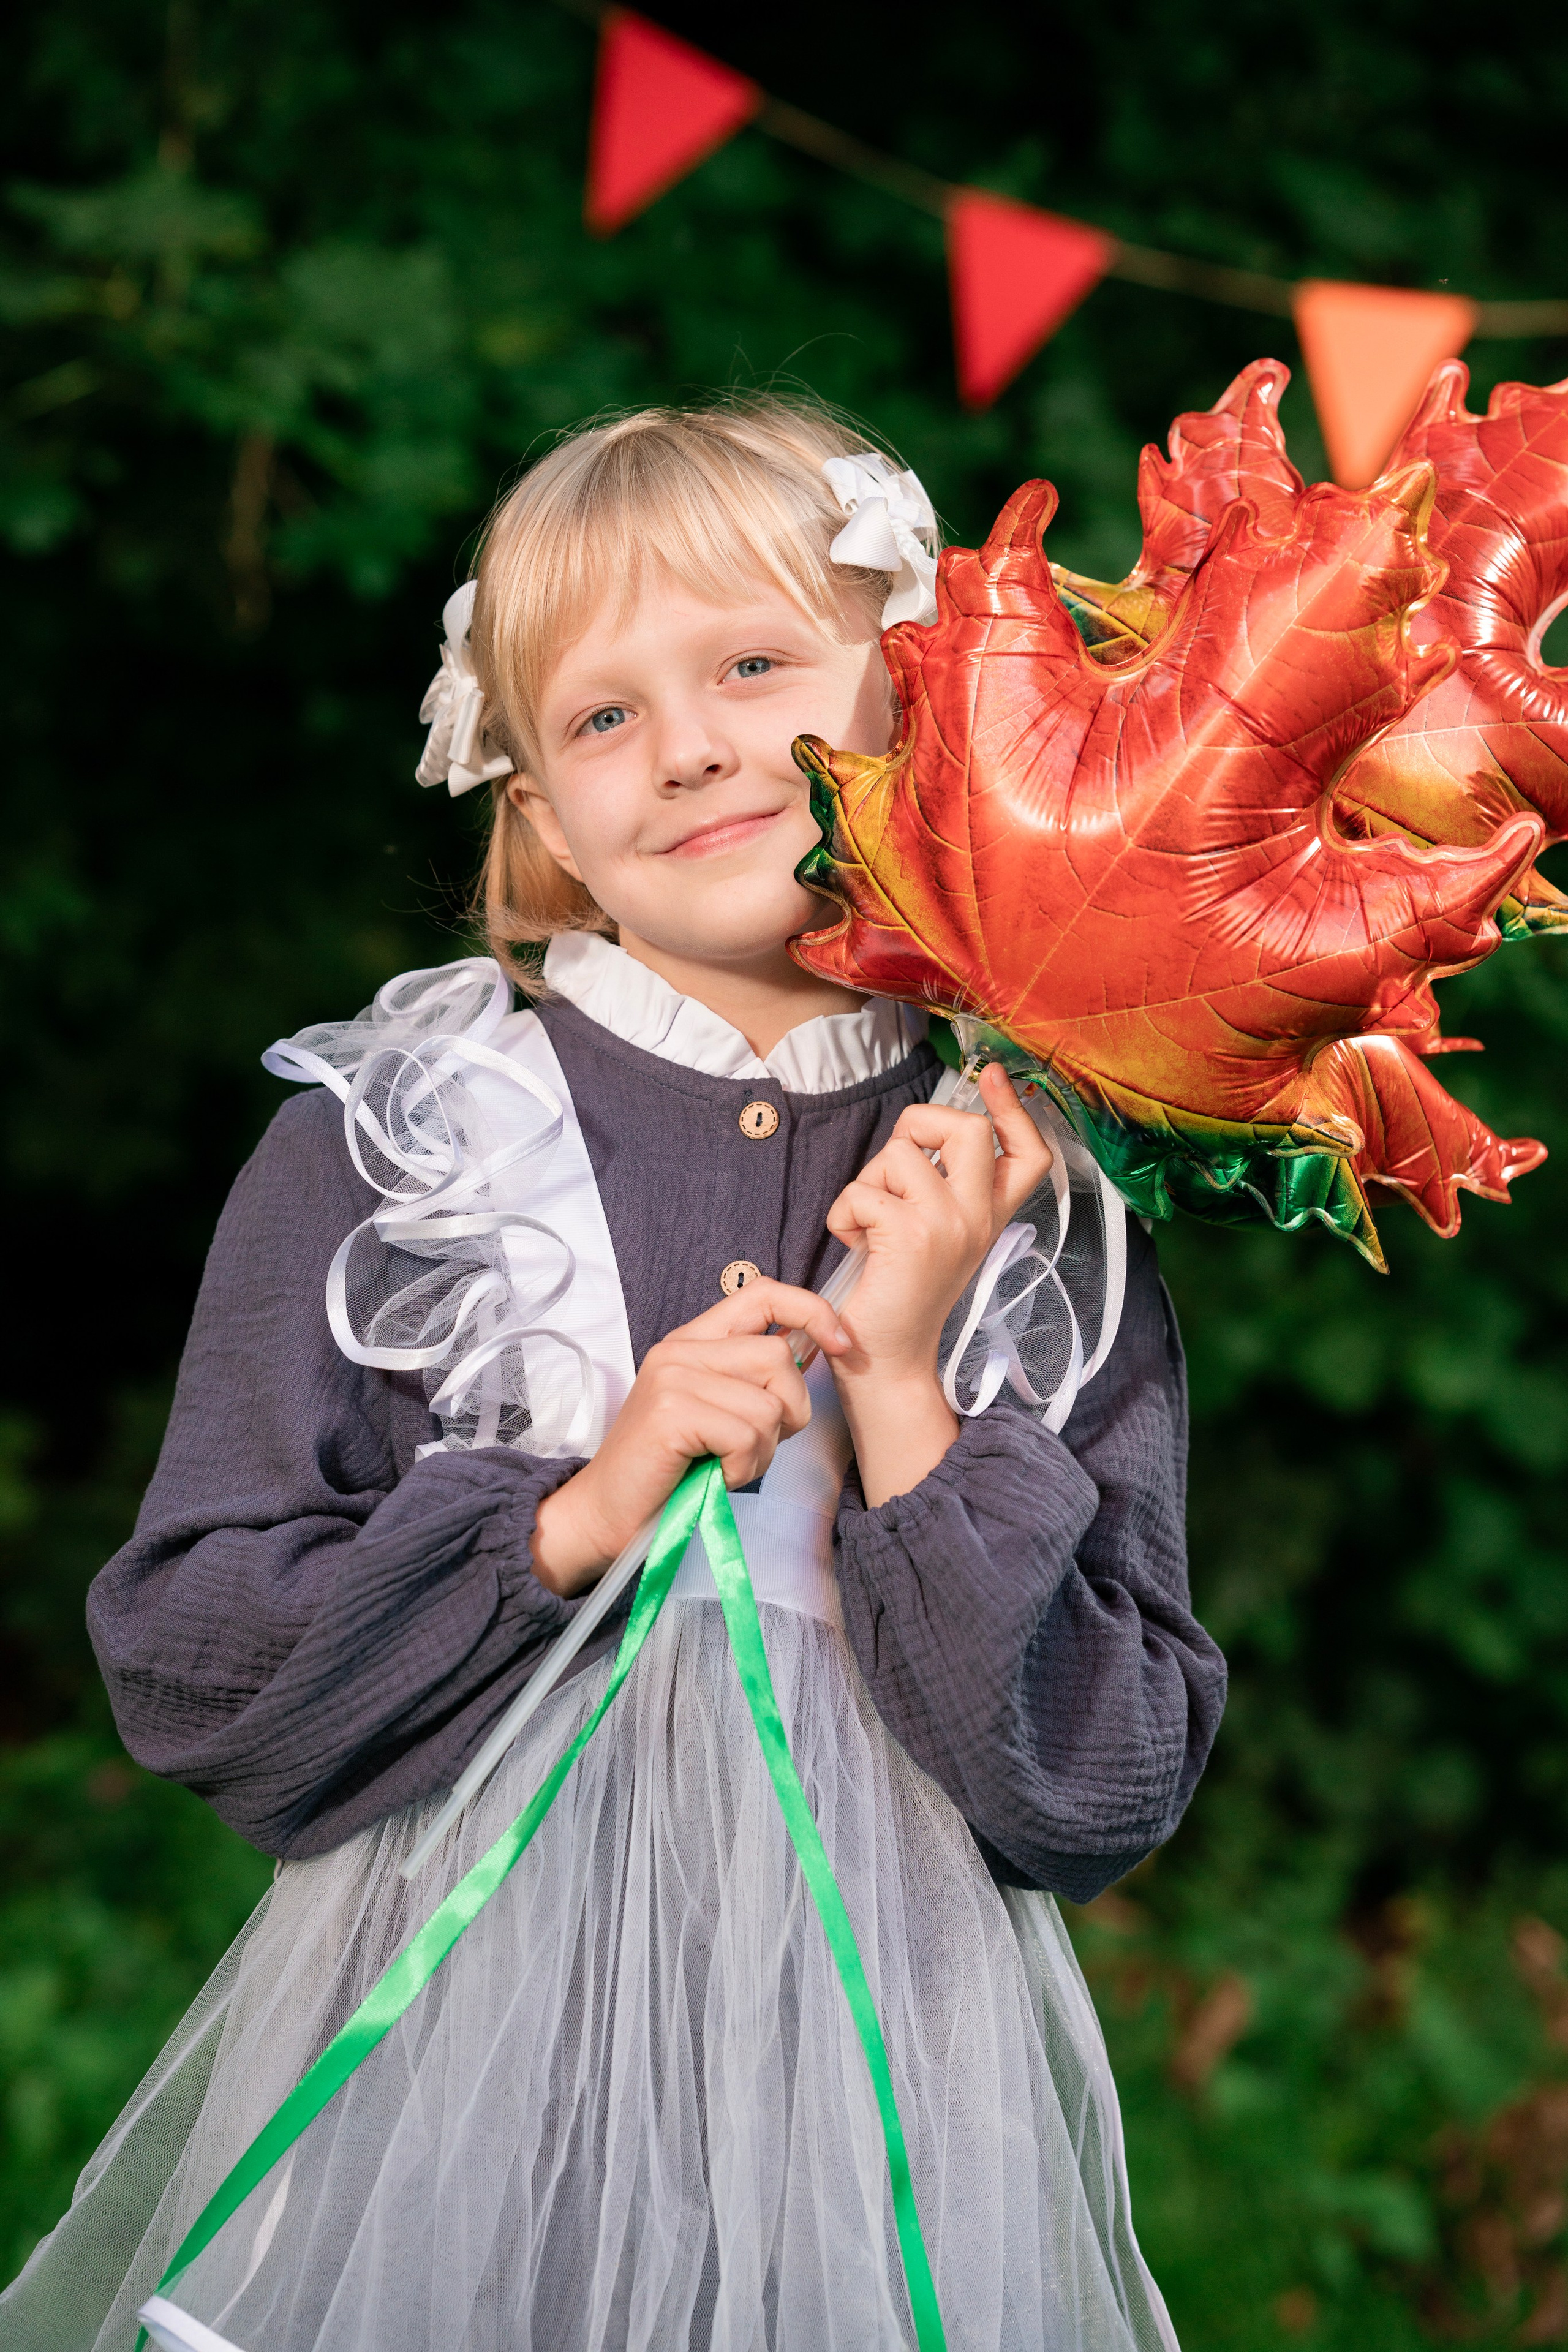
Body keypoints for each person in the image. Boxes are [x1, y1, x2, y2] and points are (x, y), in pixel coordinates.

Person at [1, 398, 1224, 2352]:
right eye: (600, 716)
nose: (692, 747)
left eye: (754, 664)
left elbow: (1100, 1787)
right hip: (453, 2121)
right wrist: (576, 1508)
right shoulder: (395, 1143)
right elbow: (193, 1662)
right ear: (538, 813)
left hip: (873, 2131)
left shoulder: (1033, 1190)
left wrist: (902, 1394)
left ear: (916, 698)